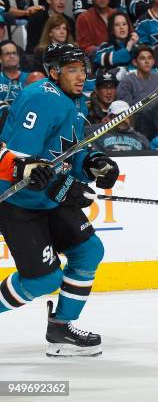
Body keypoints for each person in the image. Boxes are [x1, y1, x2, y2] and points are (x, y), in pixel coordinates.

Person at [0, 43, 120, 357]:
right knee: (43, 280)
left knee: (88, 250)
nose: (81, 76)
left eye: (83, 69)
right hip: (18, 204)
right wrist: (29, 169)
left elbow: (70, 153)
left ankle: (61, 326)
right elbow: (19, 158)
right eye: (72, 69)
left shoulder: (73, 103)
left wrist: (94, 164)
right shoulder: (42, 98)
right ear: (55, 72)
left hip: (47, 200)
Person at [0, 40, 29, 106]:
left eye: (14, 53)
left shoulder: (30, 77)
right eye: (7, 53)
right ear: (0, 58)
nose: (12, 56)